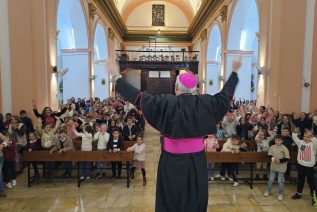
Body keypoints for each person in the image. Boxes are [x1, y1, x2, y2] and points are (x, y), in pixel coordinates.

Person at [108, 57, 241, 212]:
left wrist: (116, 76)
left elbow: (138, 97)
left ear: (176, 87)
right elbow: (226, 95)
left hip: (171, 162)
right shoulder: (206, 103)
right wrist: (234, 71)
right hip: (196, 162)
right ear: (195, 89)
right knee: (194, 197)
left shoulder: (166, 103)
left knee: (170, 199)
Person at [291, 128, 317, 206]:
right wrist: (295, 132)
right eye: (305, 136)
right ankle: (298, 193)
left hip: (309, 167)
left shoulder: (313, 144)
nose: (306, 138)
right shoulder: (300, 142)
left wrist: (312, 136)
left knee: (311, 182)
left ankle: (314, 197)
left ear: (311, 137)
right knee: (300, 180)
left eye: (308, 137)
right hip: (301, 165)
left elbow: (315, 140)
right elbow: (295, 138)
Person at [264, 134, 290, 201]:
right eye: (276, 140)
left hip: (282, 168)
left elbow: (287, 158)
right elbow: (269, 155)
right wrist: (273, 158)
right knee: (270, 180)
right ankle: (268, 191)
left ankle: (280, 193)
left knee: (280, 181)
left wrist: (280, 161)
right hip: (273, 167)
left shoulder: (284, 148)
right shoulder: (272, 147)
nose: (277, 141)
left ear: (282, 141)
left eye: (279, 140)